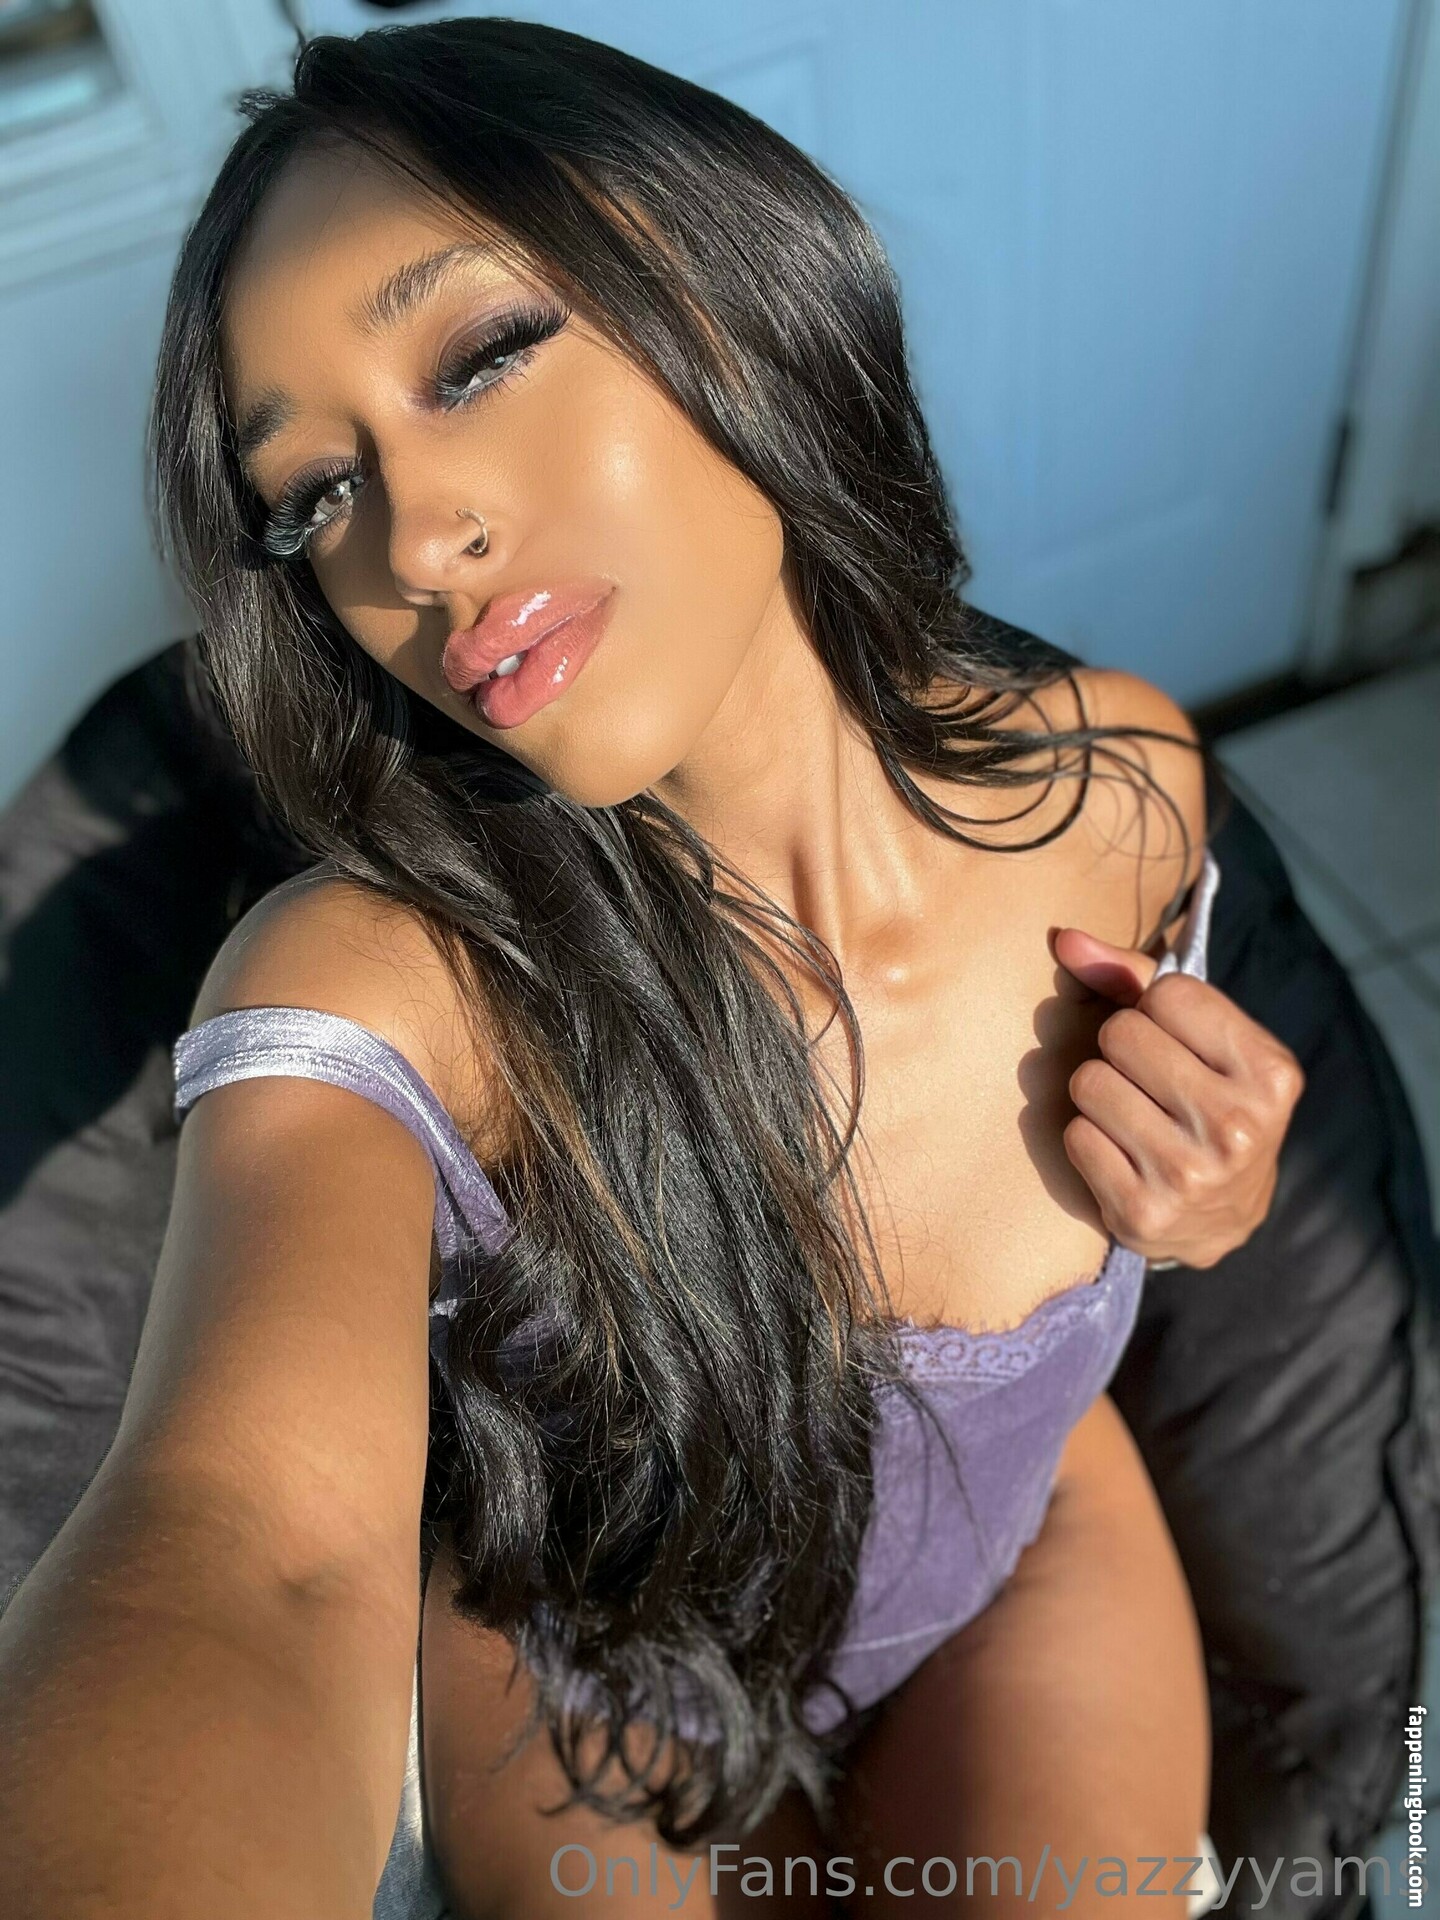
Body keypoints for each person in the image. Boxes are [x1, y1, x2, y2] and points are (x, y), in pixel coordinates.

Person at [0, 21, 1309, 1918]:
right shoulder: (384, 990)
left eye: (477, 357)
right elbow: (252, 1548)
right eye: (316, 496)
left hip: (1028, 1551)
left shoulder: (1129, 787)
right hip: (583, 1661)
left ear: (720, 282)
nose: (417, 542)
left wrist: (1217, 1200)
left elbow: (1203, 1195)